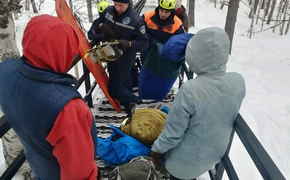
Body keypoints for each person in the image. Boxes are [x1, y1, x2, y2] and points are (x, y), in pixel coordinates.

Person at [0, 15, 101, 180]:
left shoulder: (4, 71)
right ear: (63, 52)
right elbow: (79, 173)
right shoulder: (68, 108)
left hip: (39, 165)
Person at [151, 27, 246, 180]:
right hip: (214, 154)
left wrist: (157, 151)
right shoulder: (238, 82)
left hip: (183, 164)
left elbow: (174, 131)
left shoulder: (190, 90)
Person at [88, 0, 149, 110]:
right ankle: (131, 107)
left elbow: (144, 43)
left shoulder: (136, 20)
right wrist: (102, 32)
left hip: (124, 60)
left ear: (127, 4)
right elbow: (93, 31)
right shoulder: (108, 11)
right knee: (125, 85)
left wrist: (129, 44)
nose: (117, 8)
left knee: (115, 89)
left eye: (120, 5)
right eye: (115, 4)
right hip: (109, 56)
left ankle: (139, 104)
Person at [138, 0, 187, 100]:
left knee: (159, 73)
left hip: (163, 53)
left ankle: (157, 93)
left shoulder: (177, 23)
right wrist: (150, 40)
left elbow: (179, 41)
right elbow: (140, 32)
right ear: (158, 8)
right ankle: (145, 92)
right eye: (162, 10)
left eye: (166, 12)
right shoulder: (147, 17)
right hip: (148, 49)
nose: (163, 14)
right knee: (147, 71)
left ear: (171, 11)